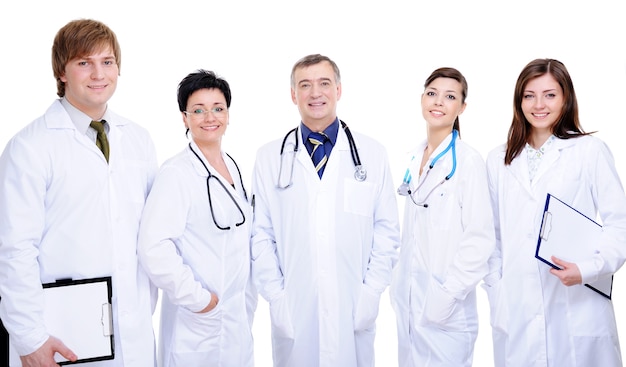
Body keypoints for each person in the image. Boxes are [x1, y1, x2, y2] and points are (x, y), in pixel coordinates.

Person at [0, 19, 158, 367]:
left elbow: (151, 235)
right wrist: (29, 338)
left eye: (107, 62)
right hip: (61, 332)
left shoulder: (138, 139)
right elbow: (14, 250)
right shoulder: (29, 147)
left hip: (134, 330)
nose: (98, 74)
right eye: (84, 63)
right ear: (62, 72)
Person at [249, 53, 401, 367]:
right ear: (293, 95)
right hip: (294, 309)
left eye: (324, 83)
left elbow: (387, 232)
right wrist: (278, 300)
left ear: (338, 90)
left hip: (353, 307)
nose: (315, 93)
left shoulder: (372, 154)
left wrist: (371, 294)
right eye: (305, 85)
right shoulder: (269, 159)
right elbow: (260, 237)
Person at [484, 58, 626, 366]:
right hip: (517, 308)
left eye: (550, 94)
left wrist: (589, 267)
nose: (539, 105)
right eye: (529, 95)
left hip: (577, 303)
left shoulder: (589, 151)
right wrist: (497, 293)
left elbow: (619, 224)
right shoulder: (497, 160)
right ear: (518, 100)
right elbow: (490, 236)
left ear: (566, 98)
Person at [137, 69, 256, 366]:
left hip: (235, 323)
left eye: (218, 108)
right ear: (184, 118)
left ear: (228, 114)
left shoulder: (232, 166)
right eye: (198, 110)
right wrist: (201, 301)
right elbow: (153, 247)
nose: (210, 117)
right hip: (197, 324)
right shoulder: (176, 173)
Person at [389, 67, 495, 366]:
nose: (438, 102)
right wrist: (399, 284)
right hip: (409, 303)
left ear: (461, 107)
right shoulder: (414, 157)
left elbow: (480, 239)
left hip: (446, 311)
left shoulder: (469, 162)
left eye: (450, 96)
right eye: (432, 93)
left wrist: (446, 296)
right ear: (422, 99)